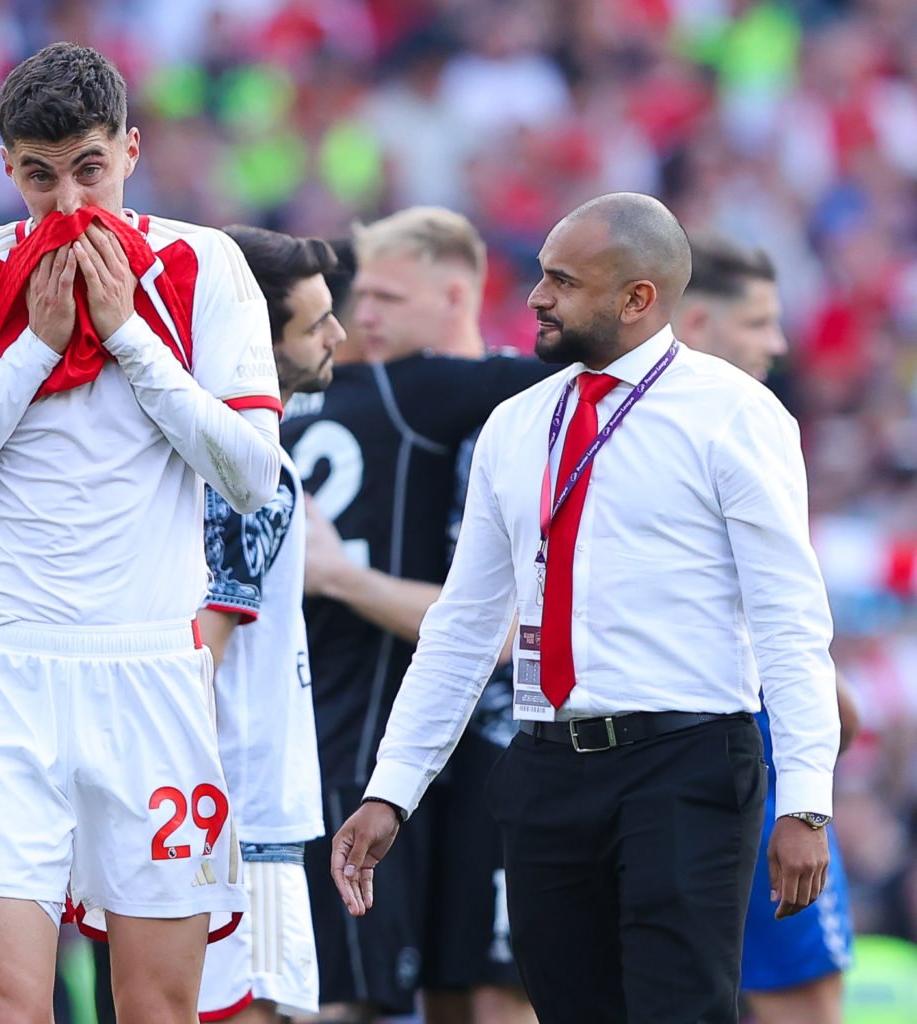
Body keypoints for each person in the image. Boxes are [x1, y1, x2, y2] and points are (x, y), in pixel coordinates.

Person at [333, 192, 842, 1024]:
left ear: (638, 299)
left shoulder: (737, 415)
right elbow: (463, 625)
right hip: (546, 766)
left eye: (562, 281)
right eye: (542, 275)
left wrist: (807, 802)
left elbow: (791, 618)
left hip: (687, 760)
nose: (536, 297)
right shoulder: (516, 423)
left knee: (677, 1011)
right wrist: (392, 789)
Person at [0, 43, 283, 1024]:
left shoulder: (202, 263)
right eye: (39, 174)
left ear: (132, 151)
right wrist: (33, 349)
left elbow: (253, 472)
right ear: (6, 167)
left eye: (89, 167)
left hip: (150, 673)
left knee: (155, 1005)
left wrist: (130, 334)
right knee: (11, 1001)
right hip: (9, 674)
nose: (66, 201)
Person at [280, 207, 550, 1024]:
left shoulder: (526, 415)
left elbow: (504, 635)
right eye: (362, 297)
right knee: (422, 988)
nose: (363, 316)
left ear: (456, 294)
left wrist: (339, 578)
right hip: (401, 749)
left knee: (494, 993)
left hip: (500, 740)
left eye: (388, 298)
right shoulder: (386, 406)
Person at [675, 236, 859, 1024]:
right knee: (800, 996)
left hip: (654, 753)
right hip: (743, 739)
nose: (777, 345)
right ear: (699, 321)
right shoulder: (745, 427)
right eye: (761, 322)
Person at [187, 225, 342, 1024]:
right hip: (240, 807)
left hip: (207, 808)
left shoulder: (199, 443)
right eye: (315, 323)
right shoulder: (250, 464)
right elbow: (200, 653)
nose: (337, 335)